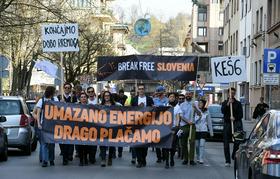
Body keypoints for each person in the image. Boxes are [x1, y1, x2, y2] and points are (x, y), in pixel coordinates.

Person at [131, 83, 154, 168]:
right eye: (139, 89)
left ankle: (143, 158)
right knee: (137, 143)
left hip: (147, 125)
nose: (141, 90)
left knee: (145, 145)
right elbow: (131, 111)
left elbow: (153, 109)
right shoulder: (134, 99)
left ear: (144, 90)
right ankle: (139, 160)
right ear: (138, 90)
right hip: (137, 125)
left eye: (142, 89)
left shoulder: (149, 99)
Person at [34, 86, 57, 167]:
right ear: (51, 92)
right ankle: (45, 160)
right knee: (44, 144)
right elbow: (38, 112)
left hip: (52, 125)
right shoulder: (42, 100)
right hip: (44, 125)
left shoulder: (55, 100)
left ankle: (51, 159)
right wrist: (39, 124)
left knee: (52, 144)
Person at [221, 87, 243, 167]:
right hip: (227, 124)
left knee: (237, 142)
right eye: (231, 93)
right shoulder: (224, 102)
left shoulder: (238, 103)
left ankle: (234, 155)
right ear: (228, 93)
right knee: (226, 143)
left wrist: (235, 118)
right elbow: (223, 111)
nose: (232, 94)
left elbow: (241, 115)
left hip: (236, 124)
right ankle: (227, 161)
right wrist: (228, 104)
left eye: (233, 93)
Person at [58, 82, 77, 166]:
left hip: (71, 122)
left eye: (69, 88)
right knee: (63, 140)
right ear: (63, 88)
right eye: (65, 87)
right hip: (61, 122)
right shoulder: (59, 98)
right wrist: (60, 103)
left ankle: (69, 154)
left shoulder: (74, 98)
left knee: (71, 139)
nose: (67, 89)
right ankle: (64, 156)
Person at [162, 92, 182, 169]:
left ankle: (172, 158)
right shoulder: (165, 106)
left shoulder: (177, 107)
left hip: (174, 129)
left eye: (173, 97)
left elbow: (178, 119)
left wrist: (175, 128)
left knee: (173, 147)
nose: (172, 98)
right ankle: (167, 161)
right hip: (166, 129)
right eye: (170, 97)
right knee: (166, 146)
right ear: (168, 98)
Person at [100, 91, 117, 167]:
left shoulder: (115, 105)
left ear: (110, 96)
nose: (106, 97)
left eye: (108, 95)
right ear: (103, 97)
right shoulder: (100, 106)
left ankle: (110, 158)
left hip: (112, 127)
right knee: (102, 143)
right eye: (105, 96)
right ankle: (103, 159)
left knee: (111, 144)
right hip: (102, 127)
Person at [194, 99, 213, 164]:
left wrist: (211, 132)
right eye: (199, 103)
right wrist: (198, 117)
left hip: (203, 130)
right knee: (197, 145)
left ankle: (201, 158)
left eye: (201, 103)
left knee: (202, 145)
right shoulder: (195, 111)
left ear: (204, 104)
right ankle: (198, 156)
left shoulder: (207, 111)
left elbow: (209, 122)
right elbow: (193, 121)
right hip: (196, 130)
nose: (199, 104)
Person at [179, 91, 196, 165]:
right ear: (185, 95)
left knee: (192, 142)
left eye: (189, 94)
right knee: (183, 142)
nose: (188, 95)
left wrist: (195, 108)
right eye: (187, 94)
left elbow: (199, 114)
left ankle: (191, 159)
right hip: (184, 125)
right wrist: (188, 121)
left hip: (192, 125)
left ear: (192, 95)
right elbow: (181, 116)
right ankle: (185, 158)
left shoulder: (195, 104)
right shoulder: (182, 105)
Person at [153, 85, 169, 163]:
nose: (158, 93)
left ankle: (164, 155)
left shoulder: (167, 100)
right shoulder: (154, 100)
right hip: (156, 122)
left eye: (160, 91)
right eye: (157, 91)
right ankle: (159, 157)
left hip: (165, 122)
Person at [76, 92, 90, 166]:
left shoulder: (90, 107)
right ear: (79, 99)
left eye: (85, 97)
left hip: (88, 128)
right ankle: (81, 160)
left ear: (87, 98)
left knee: (87, 145)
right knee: (80, 145)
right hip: (79, 128)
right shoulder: (76, 106)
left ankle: (86, 158)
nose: (83, 98)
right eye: (82, 97)